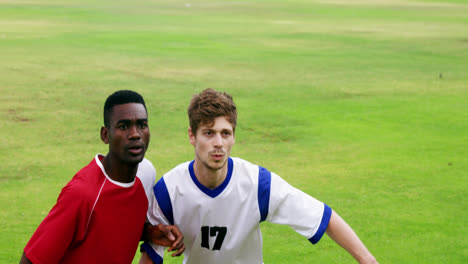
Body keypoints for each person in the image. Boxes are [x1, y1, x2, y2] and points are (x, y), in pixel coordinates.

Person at [139, 88, 378, 264]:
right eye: (209, 133)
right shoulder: (169, 190)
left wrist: (368, 261)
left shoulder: (257, 184)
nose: (218, 143)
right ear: (192, 136)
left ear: (234, 136)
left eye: (225, 133)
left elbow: (323, 217)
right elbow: (151, 253)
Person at [20, 90, 184, 264]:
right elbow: (31, 260)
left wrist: (150, 232)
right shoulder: (81, 195)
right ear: (105, 135)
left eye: (142, 125)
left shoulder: (146, 174)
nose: (135, 134)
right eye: (123, 126)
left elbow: (112, 227)